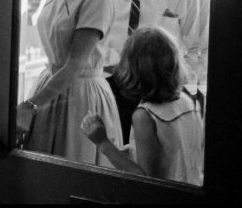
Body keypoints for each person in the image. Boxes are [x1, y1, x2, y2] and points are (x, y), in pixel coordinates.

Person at [16, 0, 121, 166]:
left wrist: (29, 106)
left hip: (80, 97)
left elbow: (75, 65)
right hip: (51, 89)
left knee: (71, 172)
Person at [98, 0, 205, 144]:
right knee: (114, 149)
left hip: (161, 89)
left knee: (155, 156)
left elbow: (197, 47)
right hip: (111, 83)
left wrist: (191, 93)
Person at [81, 26, 204, 185]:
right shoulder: (186, 101)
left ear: (131, 68)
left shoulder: (145, 116)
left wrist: (103, 143)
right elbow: (171, 154)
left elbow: (144, 179)